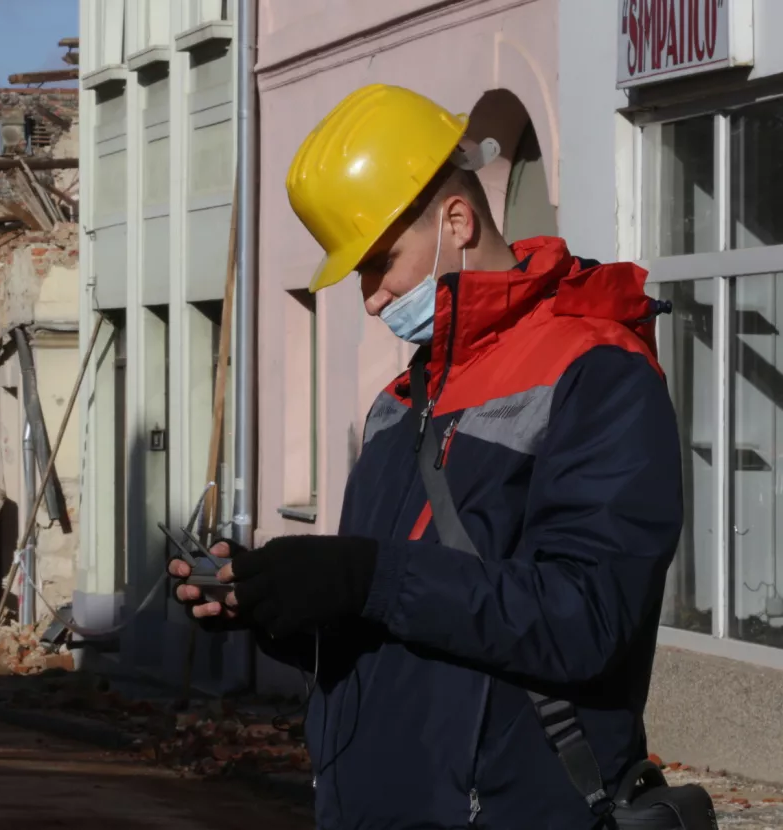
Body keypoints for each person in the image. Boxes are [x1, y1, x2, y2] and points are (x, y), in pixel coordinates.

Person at [168, 85, 684, 829]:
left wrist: (365, 577)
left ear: (457, 219)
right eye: (360, 277)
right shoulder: (401, 401)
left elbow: (586, 621)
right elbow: (392, 633)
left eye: (381, 263)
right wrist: (271, 610)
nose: (372, 299)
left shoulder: (598, 371)